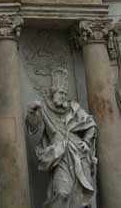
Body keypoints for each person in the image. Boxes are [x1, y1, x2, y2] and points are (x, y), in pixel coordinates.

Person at [26, 68, 97, 208]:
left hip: (78, 154)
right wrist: (31, 112)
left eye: (65, 93)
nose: (63, 96)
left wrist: (86, 141)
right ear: (53, 92)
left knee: (81, 196)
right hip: (59, 155)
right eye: (60, 92)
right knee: (61, 192)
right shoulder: (44, 108)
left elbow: (91, 125)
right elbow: (34, 127)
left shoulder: (73, 108)